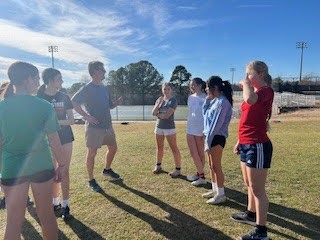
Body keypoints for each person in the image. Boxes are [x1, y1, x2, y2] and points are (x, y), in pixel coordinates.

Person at [0, 61, 66, 240]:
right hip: (42, 166)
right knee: (47, 216)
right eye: (36, 77)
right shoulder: (43, 106)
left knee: (13, 221)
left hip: (11, 169)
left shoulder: (1, 108)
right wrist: (62, 164)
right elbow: (55, 141)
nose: (39, 81)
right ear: (27, 79)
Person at [230, 61, 274, 240]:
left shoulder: (266, 91)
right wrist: (239, 141)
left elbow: (249, 100)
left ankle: (261, 232)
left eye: (250, 74)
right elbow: (249, 119)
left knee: (258, 190)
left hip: (258, 145)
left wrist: (246, 84)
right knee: (249, 184)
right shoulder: (255, 92)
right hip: (246, 144)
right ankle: (250, 213)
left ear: (261, 74)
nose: (247, 77)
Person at [72, 61, 122, 192]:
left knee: (113, 148)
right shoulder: (87, 88)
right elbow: (74, 102)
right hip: (94, 128)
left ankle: (107, 170)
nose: (104, 72)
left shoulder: (105, 88)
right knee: (92, 153)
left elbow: (109, 105)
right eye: (102, 70)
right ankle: (91, 180)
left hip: (107, 126)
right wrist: (86, 116)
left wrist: (115, 103)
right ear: (94, 71)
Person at [37, 68, 74, 220]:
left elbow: (71, 120)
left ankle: (66, 205)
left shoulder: (64, 96)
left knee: (64, 171)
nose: (62, 81)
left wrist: (54, 123)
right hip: (46, 141)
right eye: (59, 79)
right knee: (51, 172)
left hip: (65, 138)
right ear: (50, 80)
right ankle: (55, 202)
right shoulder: (38, 97)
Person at [201, 76, 233, 204]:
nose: (207, 91)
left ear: (214, 88)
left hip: (217, 137)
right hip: (209, 136)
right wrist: (206, 101)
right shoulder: (214, 100)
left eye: (208, 88)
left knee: (216, 166)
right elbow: (205, 116)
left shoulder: (223, 102)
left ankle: (221, 194)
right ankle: (215, 190)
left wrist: (208, 141)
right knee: (211, 166)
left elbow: (216, 124)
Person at [151, 82, 182, 177]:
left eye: (168, 89)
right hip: (158, 127)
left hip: (169, 128)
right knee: (159, 148)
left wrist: (158, 115)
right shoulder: (159, 99)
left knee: (174, 148)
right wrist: (158, 104)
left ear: (171, 90)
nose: (166, 91)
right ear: (162, 90)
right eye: (165, 89)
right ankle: (158, 166)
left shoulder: (173, 100)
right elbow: (153, 112)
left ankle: (177, 169)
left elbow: (167, 115)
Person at [185, 78, 207, 186]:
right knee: (193, 153)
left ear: (200, 85)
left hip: (200, 129)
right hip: (190, 128)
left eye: (193, 85)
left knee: (200, 154)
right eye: (190, 85)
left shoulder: (206, 98)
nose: (192, 87)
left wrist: (205, 131)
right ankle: (200, 174)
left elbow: (207, 116)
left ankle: (201, 176)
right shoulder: (190, 98)